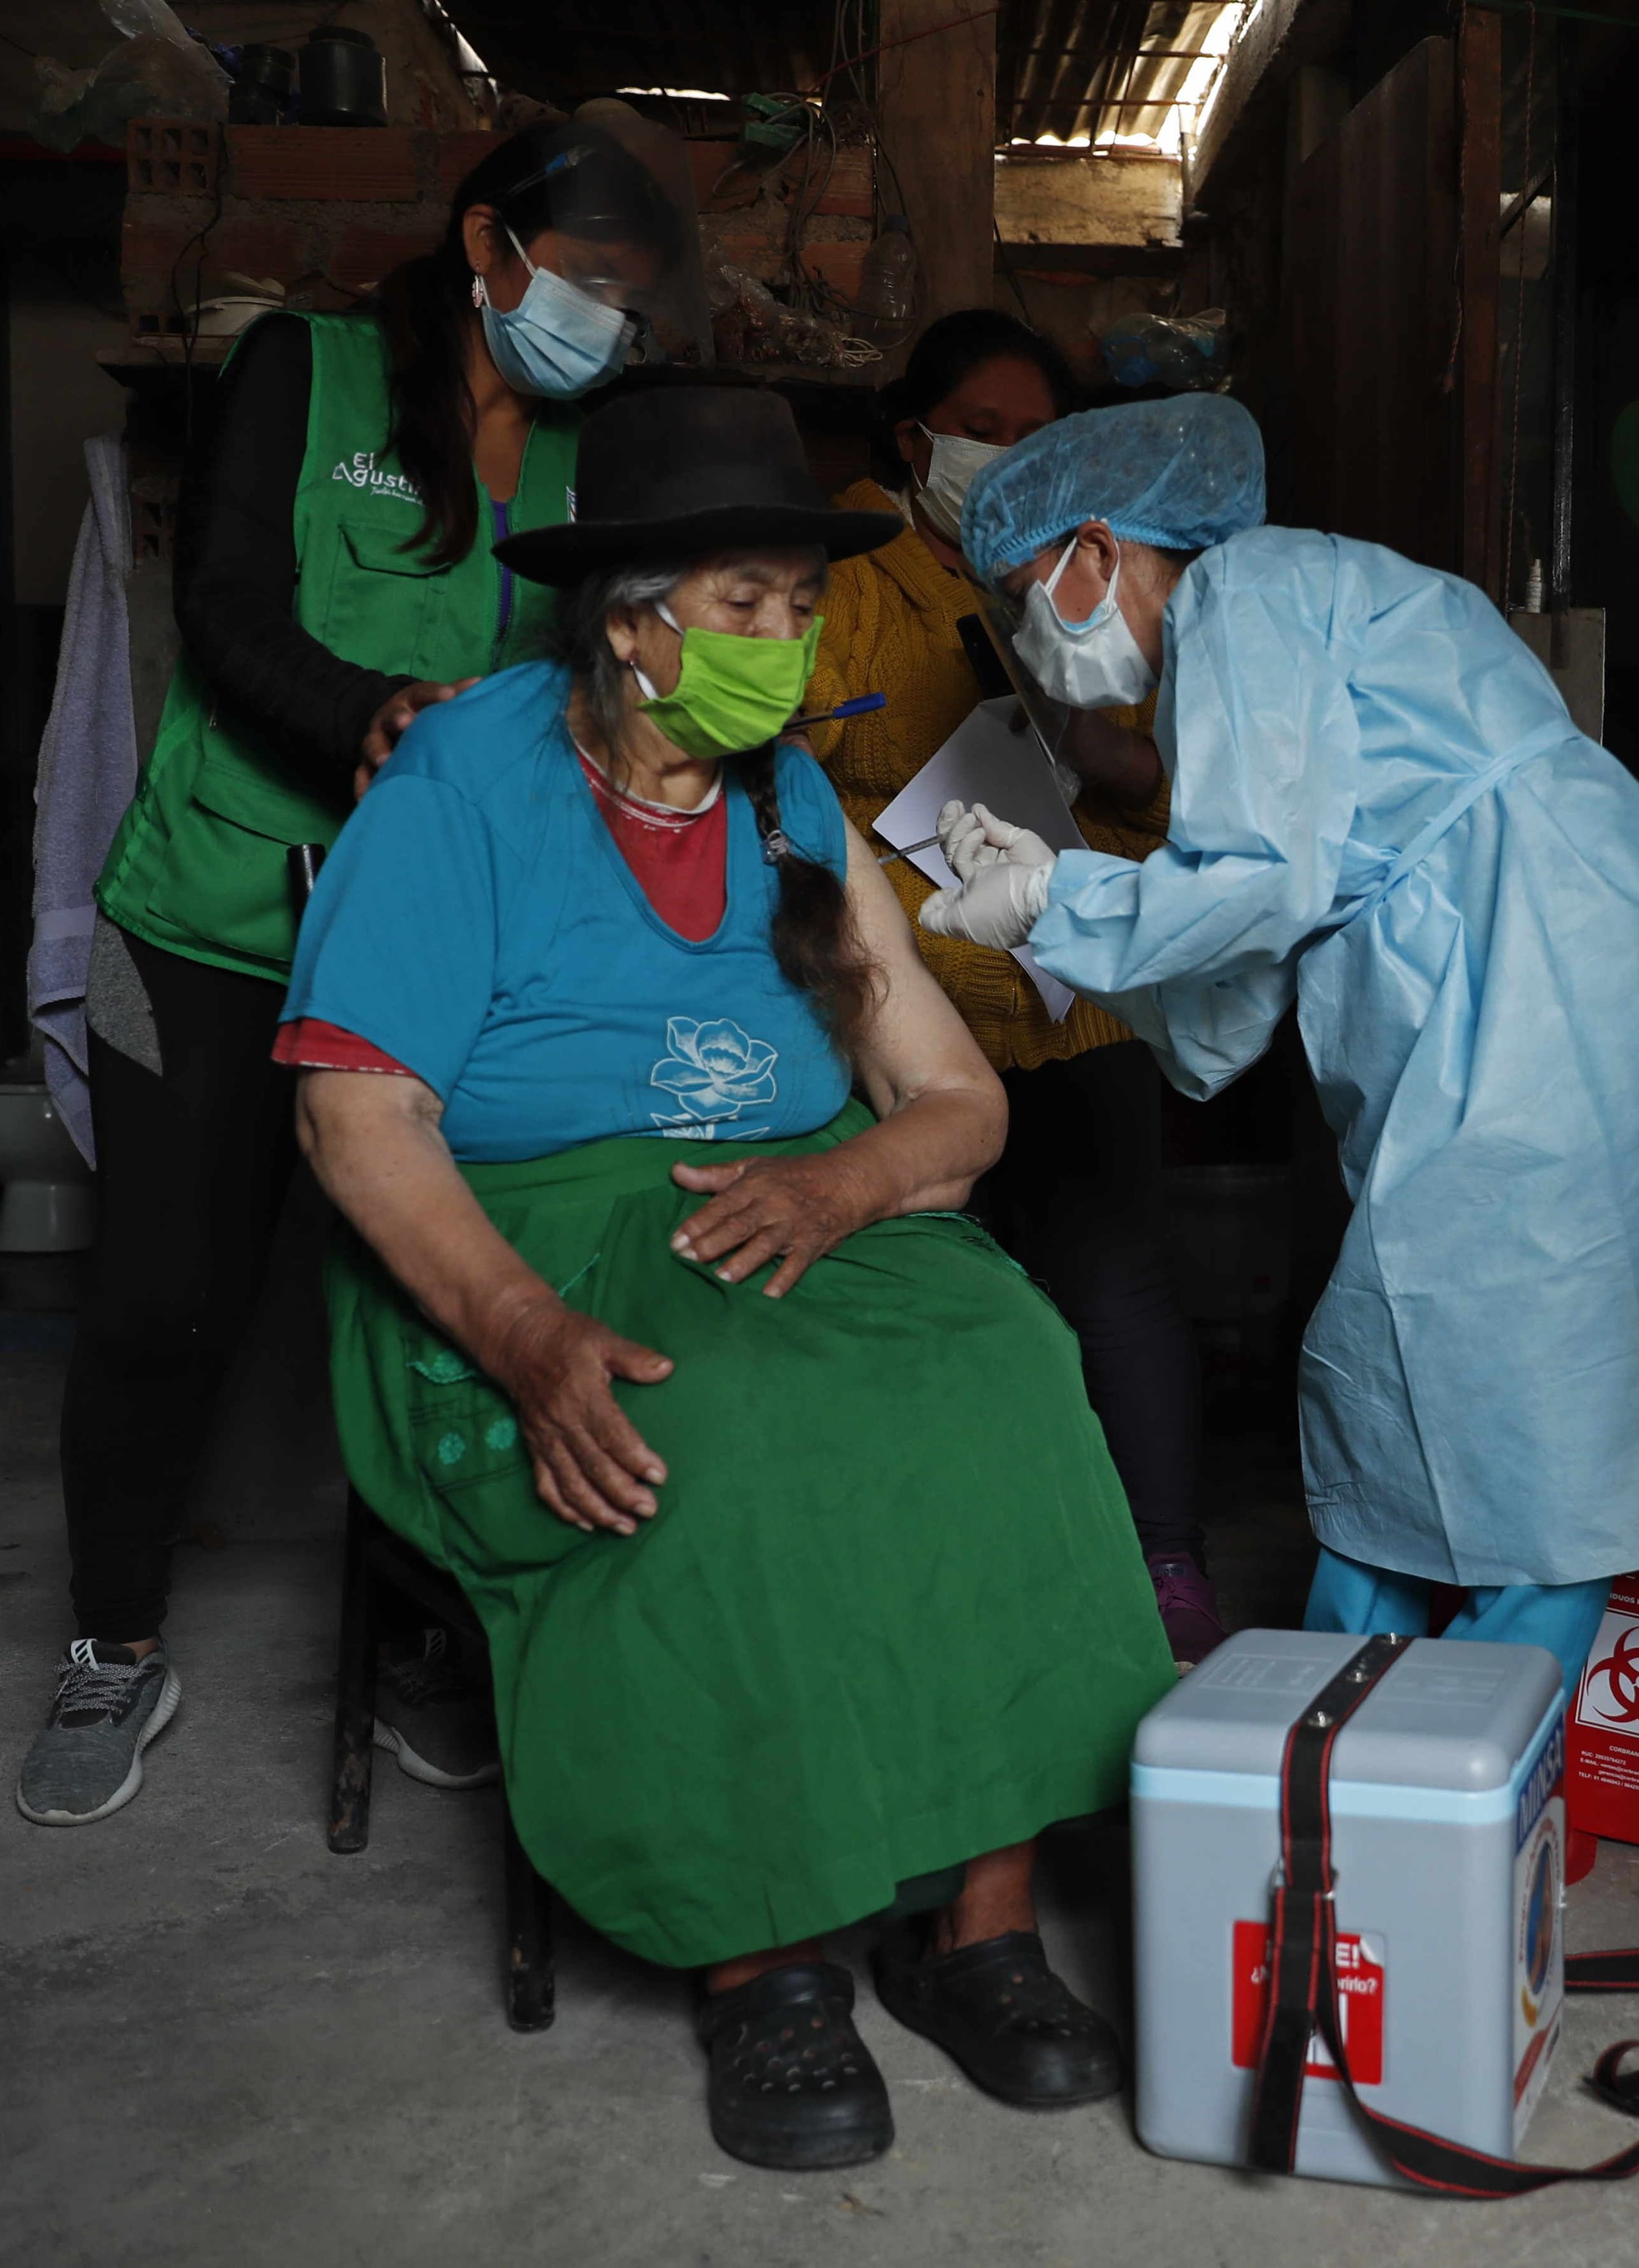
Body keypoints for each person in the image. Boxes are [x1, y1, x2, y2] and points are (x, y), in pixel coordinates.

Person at [277, 384, 1179, 2170]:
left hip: (789, 1205)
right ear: (633, 618)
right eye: (751, 603)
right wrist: (530, 1339)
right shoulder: (468, 781)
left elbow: (959, 1103)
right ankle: (759, 1954)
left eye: (797, 599)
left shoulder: (789, 812)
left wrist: (848, 1179)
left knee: (1007, 1365)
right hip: (519, 1241)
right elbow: (355, 1117)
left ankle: (974, 1924)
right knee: (730, 1425)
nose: (791, 640)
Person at [19, 116, 695, 1828]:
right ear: (490, 245)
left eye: (628, 292)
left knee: (437, 1292)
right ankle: (112, 1642)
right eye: (585, 276)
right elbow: (228, 603)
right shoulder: (302, 373)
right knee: (170, 1292)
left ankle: (420, 1633)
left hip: (432, 945)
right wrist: (362, 717)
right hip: (220, 914)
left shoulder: (582, 450)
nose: (603, 314)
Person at [919, 394, 1639, 1694]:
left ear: (1096, 550)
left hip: (1551, 997)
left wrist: (1064, 898)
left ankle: (1453, 1777)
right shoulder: (1243, 644)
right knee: (1452, 1366)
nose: (1031, 638)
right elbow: (1225, 1003)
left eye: (1022, 589)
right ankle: (1355, 1738)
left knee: (1525, 1385)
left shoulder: (1246, 599)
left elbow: (1259, 881)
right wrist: (1063, 912)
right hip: (1539, 980)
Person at [801, 309, 1223, 1664]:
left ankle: (1163, 1569)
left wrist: (1113, 771)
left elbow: (1175, 782)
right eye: (983, 431)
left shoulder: (1098, 572)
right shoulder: (843, 569)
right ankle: (952, 1582)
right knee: (937, 1293)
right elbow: (778, 766)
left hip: (1080, 976)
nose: (1010, 456)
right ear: (915, 437)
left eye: (1039, 435)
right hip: (906, 1000)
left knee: (1118, 1280)